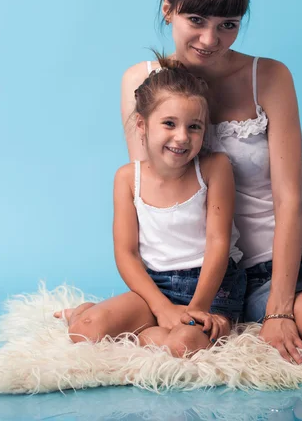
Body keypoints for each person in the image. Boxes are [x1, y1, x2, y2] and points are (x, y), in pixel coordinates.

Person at [120, 0, 302, 364]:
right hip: (248, 271)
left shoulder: (269, 76)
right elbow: (155, 201)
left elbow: (289, 199)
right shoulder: (142, 83)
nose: (210, 39)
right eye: (196, 20)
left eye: (228, 25)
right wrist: (164, 305)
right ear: (168, 10)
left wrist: (281, 310)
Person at [54, 54, 246, 357]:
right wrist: (161, 307)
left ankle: (155, 334)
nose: (182, 137)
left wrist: (197, 309)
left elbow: (218, 243)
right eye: (169, 123)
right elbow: (126, 253)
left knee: (183, 345)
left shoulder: (214, 167)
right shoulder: (128, 178)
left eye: (194, 127)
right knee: (85, 329)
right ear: (142, 125)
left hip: (211, 288)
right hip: (154, 287)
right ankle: (124, 321)